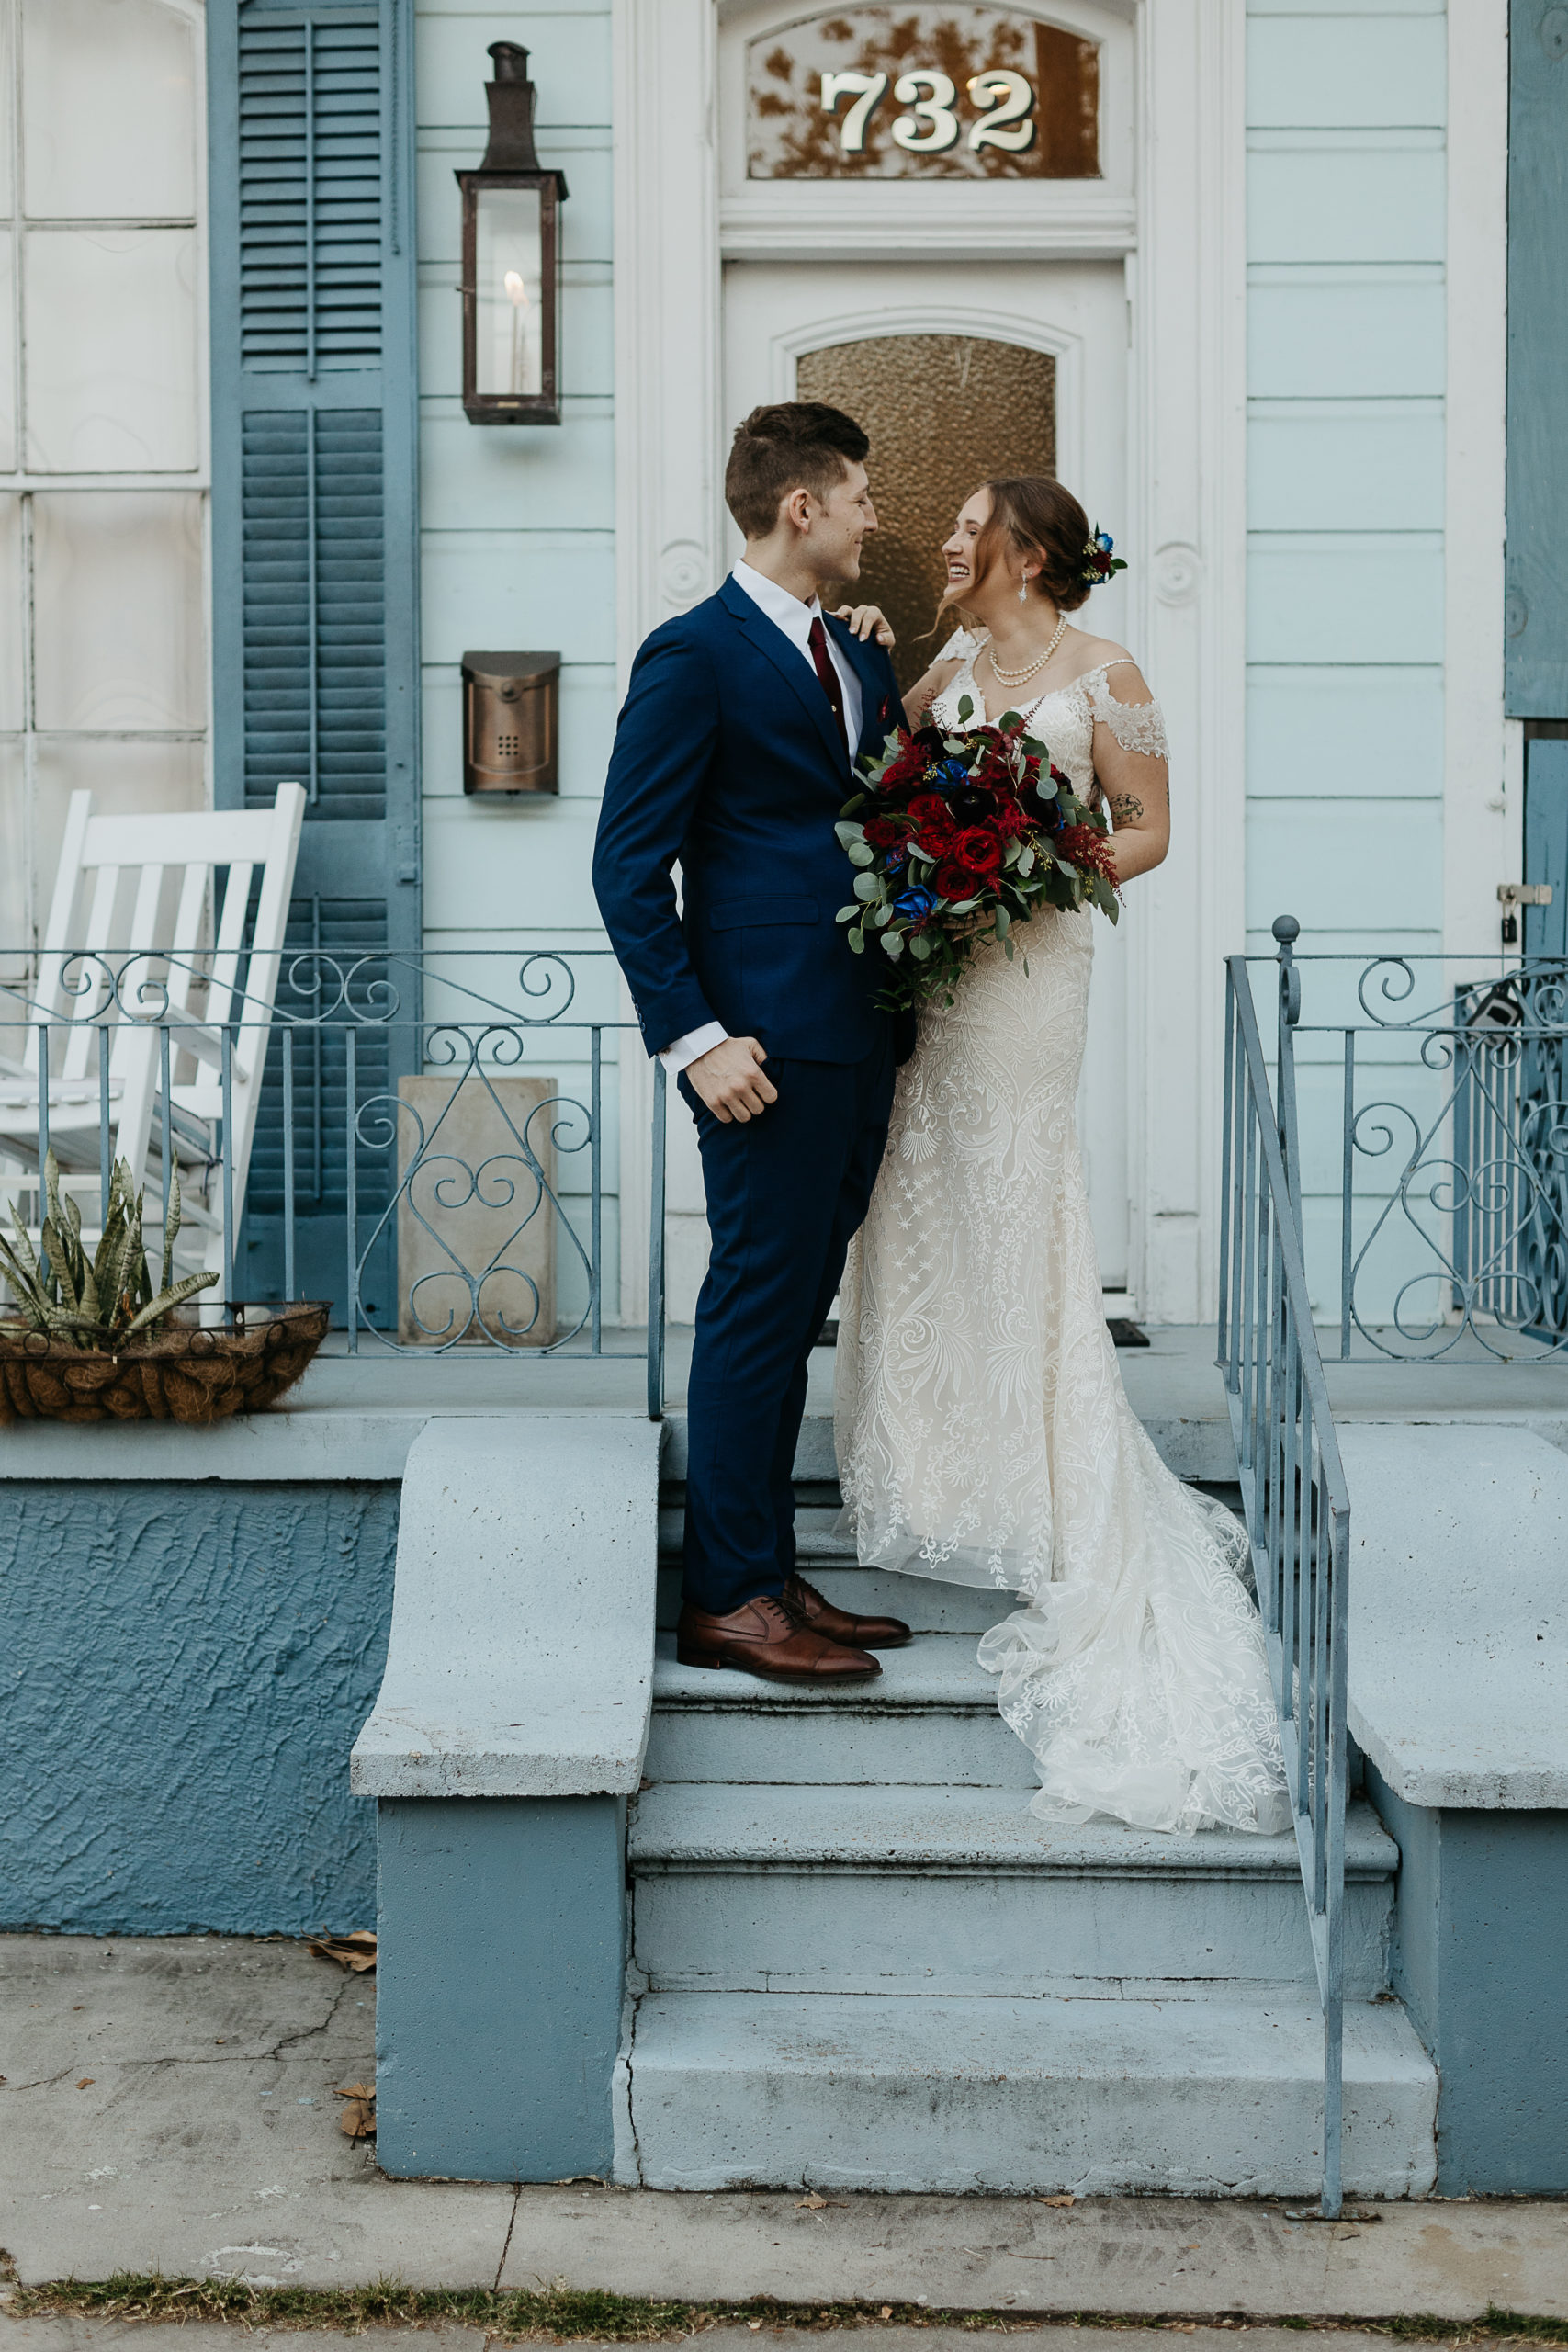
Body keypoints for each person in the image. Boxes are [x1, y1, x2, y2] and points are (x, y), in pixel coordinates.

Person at [834, 477, 1292, 1836]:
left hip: (1035, 969)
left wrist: (1031, 861)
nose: (951, 538)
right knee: (922, 1193)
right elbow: (875, 772)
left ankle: (1042, 1472)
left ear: (1032, 551)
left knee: (1019, 1187)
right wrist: (868, 650)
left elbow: (1148, 827)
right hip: (941, 975)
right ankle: (937, 1460)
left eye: (971, 523)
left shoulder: (1110, 670)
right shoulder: (955, 664)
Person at [592, 401, 914, 1684]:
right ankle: (727, 1595)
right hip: (759, 1048)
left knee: (792, 1313)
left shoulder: (859, 658)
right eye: (861, 498)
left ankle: (768, 1567)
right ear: (803, 508)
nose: (874, 518)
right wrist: (692, 1037)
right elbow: (628, 866)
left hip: (861, 1031)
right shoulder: (694, 654)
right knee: (754, 1306)